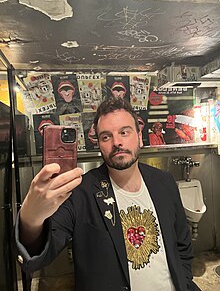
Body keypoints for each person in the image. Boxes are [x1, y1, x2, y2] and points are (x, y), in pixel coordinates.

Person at [14, 97, 201, 291]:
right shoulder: (80, 192)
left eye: (124, 132)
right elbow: (37, 256)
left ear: (139, 136)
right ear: (99, 145)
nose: (117, 142)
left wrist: (185, 281)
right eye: (106, 136)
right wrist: (31, 217)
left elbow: (182, 245)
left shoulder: (164, 181)